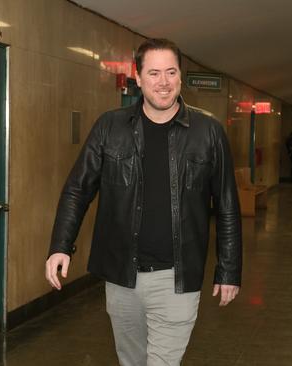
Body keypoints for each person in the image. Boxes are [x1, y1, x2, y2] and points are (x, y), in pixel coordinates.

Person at [45, 38, 242, 365]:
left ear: (181, 76)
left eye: (171, 72)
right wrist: (60, 245)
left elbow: (227, 206)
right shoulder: (110, 127)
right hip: (122, 274)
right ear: (138, 77)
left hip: (177, 278)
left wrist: (229, 269)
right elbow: (77, 189)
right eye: (154, 73)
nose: (163, 82)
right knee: (131, 361)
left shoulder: (208, 132)